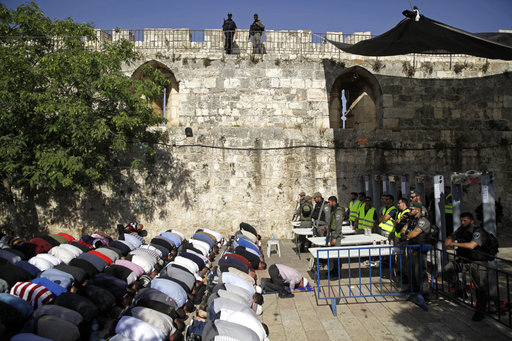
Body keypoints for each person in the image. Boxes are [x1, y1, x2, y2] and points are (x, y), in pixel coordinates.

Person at [443, 212, 490, 321]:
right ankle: (459, 289)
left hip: (477, 261)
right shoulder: (461, 229)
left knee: (480, 287)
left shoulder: (478, 231)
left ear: (472, 221)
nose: (463, 223)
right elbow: (453, 236)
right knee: (448, 269)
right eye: (461, 221)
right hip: (464, 260)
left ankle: (480, 311)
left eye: (465, 221)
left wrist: (453, 244)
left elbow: (472, 245)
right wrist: (449, 238)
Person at [400, 202, 431, 310]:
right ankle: (413, 291)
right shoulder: (411, 220)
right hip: (411, 248)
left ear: (418, 210)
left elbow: (413, 234)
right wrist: (406, 234)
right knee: (411, 271)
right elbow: (403, 230)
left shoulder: (423, 221)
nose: (410, 211)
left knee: (420, 272)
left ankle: (425, 294)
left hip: (419, 249)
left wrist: (407, 235)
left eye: (412, 209)